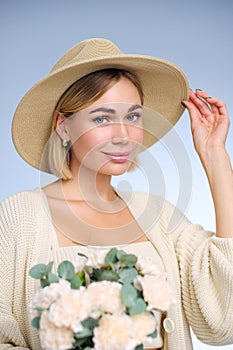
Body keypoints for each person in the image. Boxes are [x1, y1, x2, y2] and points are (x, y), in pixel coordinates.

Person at [0, 38, 233, 350]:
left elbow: (223, 317)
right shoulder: (20, 218)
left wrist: (214, 153)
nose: (123, 135)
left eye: (133, 116)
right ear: (63, 126)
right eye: (102, 118)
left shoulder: (158, 215)